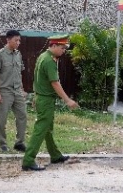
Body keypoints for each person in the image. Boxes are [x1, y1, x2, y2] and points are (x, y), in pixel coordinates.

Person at [21, 34, 79, 171]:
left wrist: (36, 96)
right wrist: (67, 100)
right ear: (53, 45)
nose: (63, 51)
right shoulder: (49, 61)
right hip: (46, 100)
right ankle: (28, 160)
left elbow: (37, 78)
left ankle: (55, 155)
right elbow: (55, 83)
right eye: (62, 48)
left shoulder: (43, 56)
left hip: (42, 98)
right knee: (41, 130)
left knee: (47, 129)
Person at [0, 30, 28, 153]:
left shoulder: (18, 54)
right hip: (5, 91)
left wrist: (22, 89)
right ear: (8, 40)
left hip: (17, 91)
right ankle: (2, 143)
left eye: (19, 40)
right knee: (2, 119)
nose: (18, 43)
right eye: (16, 40)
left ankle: (20, 143)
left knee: (22, 116)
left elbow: (19, 73)